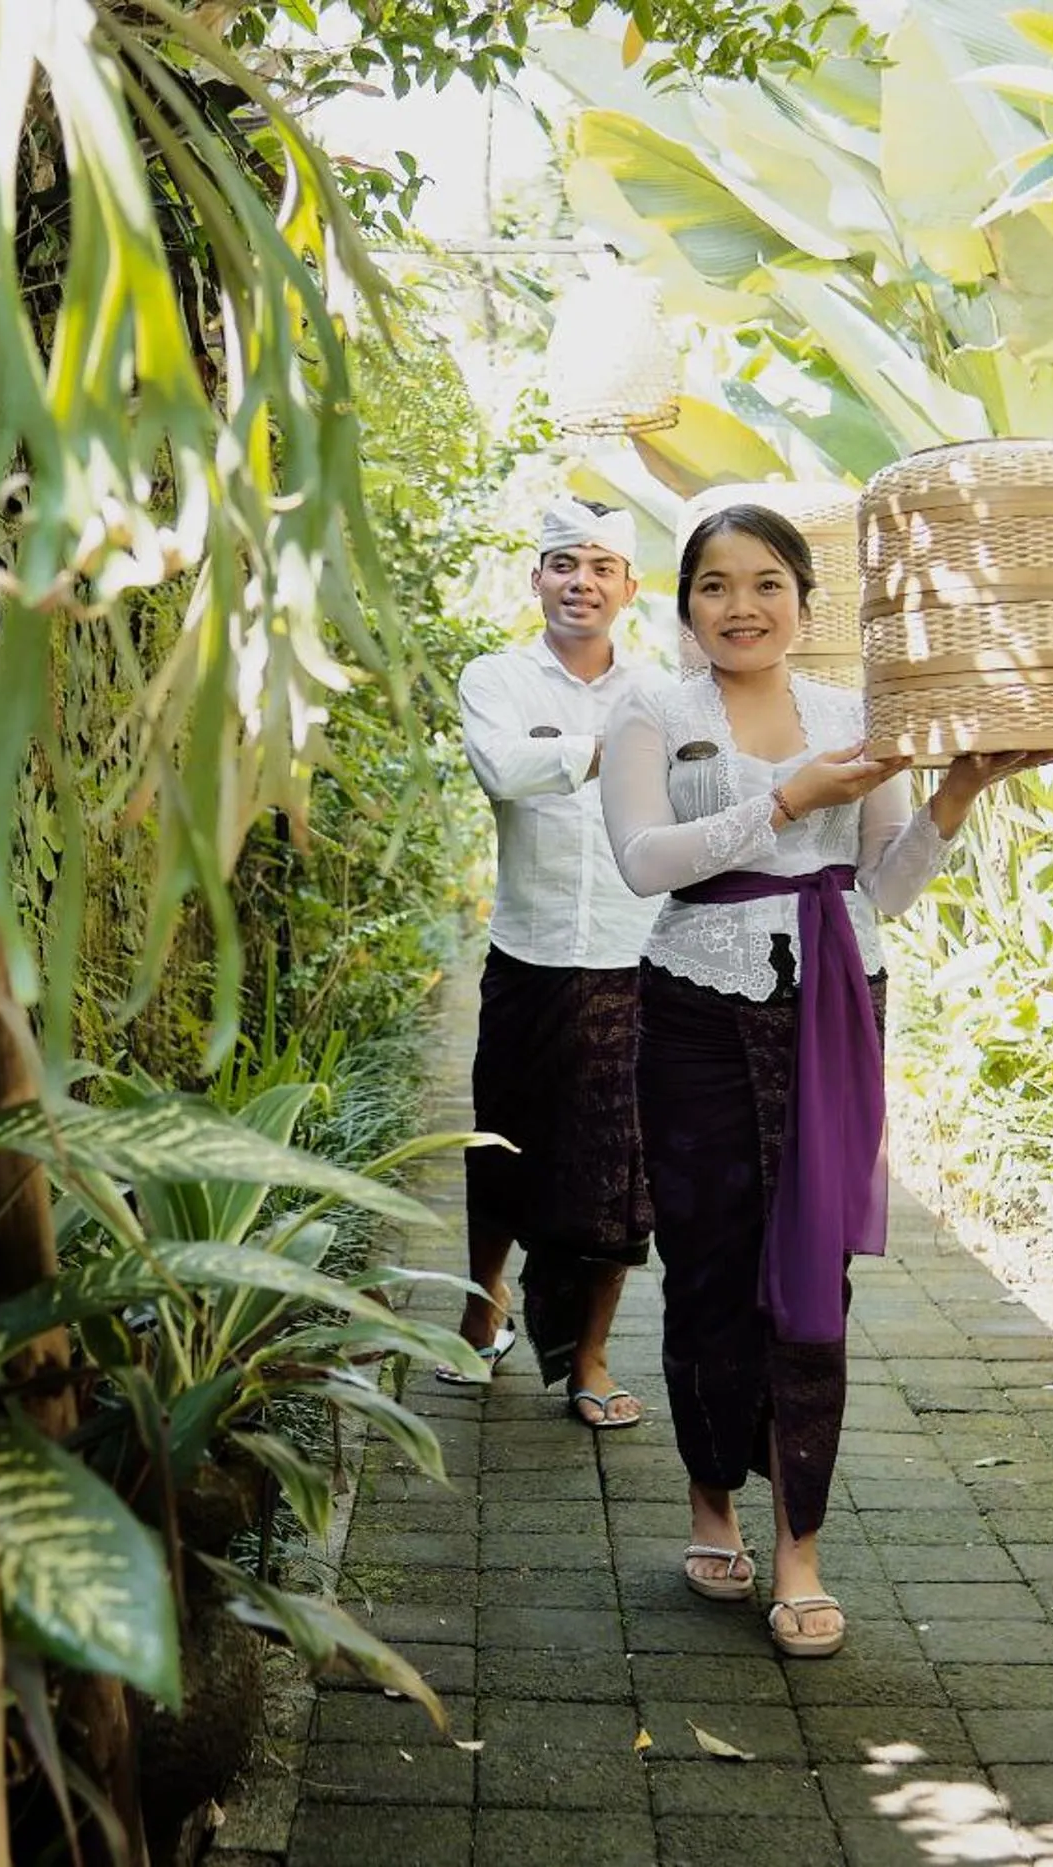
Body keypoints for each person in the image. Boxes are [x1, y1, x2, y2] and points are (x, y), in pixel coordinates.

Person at [600, 500, 1033, 1656]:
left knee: (812, 1273)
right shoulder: (652, 707)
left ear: (804, 598)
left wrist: (955, 795)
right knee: (706, 1268)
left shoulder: (854, 715)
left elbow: (880, 889)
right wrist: (786, 799)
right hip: (691, 1005)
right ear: (685, 602)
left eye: (764, 584)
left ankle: (800, 1548)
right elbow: (643, 862)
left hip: (834, 1005)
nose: (739, 607)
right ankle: (709, 1504)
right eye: (712, 586)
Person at [447, 495, 666, 1429]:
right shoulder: (495, 679)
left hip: (636, 957)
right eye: (564, 564)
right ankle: (480, 1310)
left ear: (629, 587)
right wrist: (613, 749)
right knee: (504, 1143)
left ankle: (590, 1357)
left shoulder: (661, 689)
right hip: (529, 953)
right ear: (535, 577)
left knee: (618, 1170)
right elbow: (504, 769)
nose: (582, 582)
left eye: (601, 567)